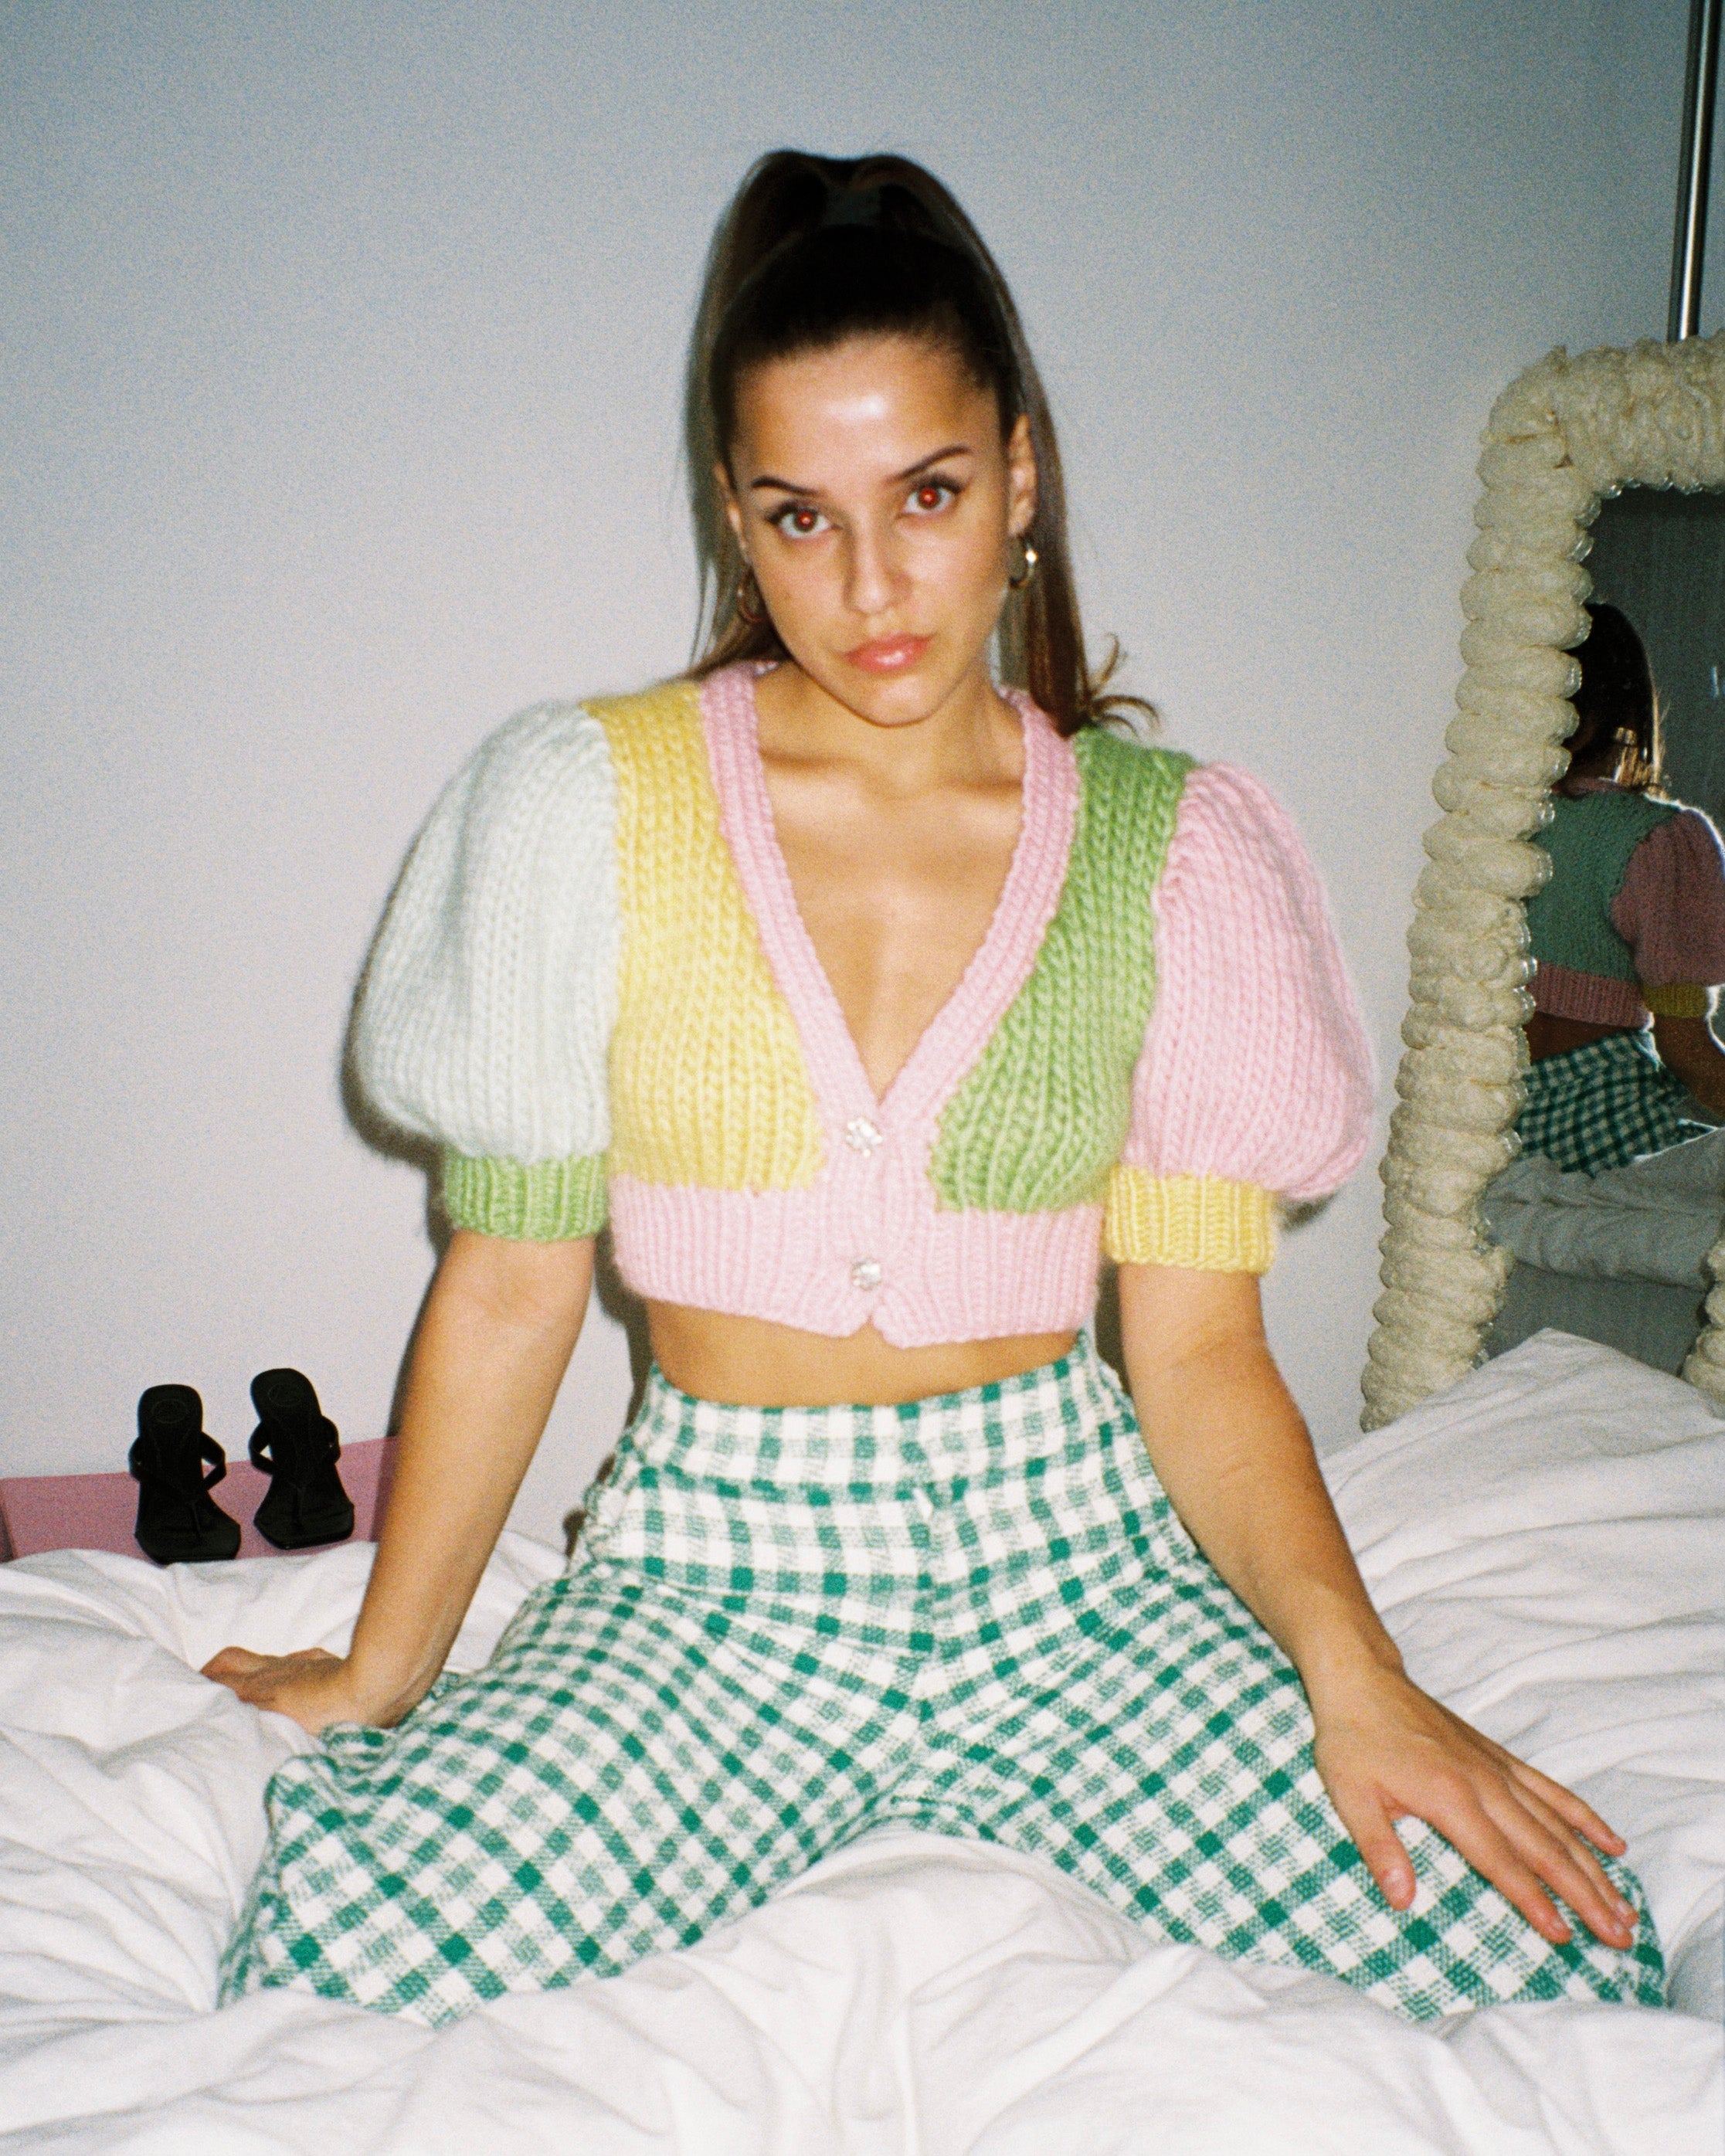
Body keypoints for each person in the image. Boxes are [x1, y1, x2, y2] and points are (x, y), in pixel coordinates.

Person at [205, 151, 1663, 2027]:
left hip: (1075, 1568)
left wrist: (1352, 1670)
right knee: (341, 1969)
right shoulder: (585, 803)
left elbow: (1202, 1351)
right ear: (736, 513)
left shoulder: (1172, 845)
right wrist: (384, 1665)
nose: (873, 583)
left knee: (1540, 1960)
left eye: (931, 495)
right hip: (711, 1579)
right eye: (802, 516)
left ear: (1022, 473)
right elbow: (509, 1278)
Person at [1520, 600, 1725, 1172]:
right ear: (1625, 705)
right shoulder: (1656, 842)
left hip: (1503, 1115)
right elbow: (1685, 1051)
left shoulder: (1496, 823)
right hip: (1602, 1112)